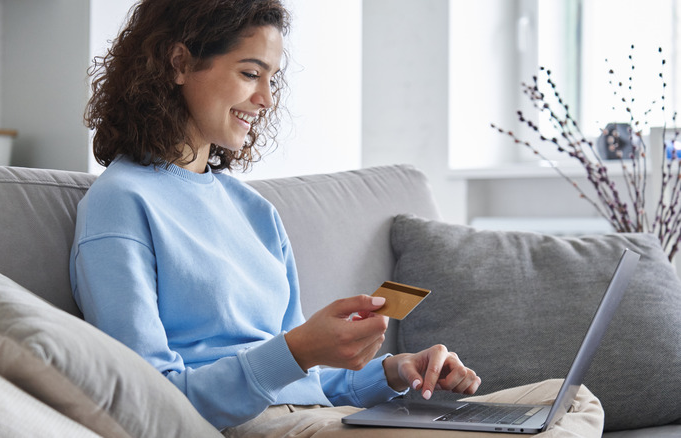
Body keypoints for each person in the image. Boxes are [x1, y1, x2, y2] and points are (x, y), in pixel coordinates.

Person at [70, 0, 604, 436]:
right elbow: (147, 403)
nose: (265, 99)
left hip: (317, 416)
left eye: (272, 78)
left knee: (569, 402)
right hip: (245, 426)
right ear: (180, 63)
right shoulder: (121, 202)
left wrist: (395, 372)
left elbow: (310, 381)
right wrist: (297, 350)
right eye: (250, 73)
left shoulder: (253, 211)